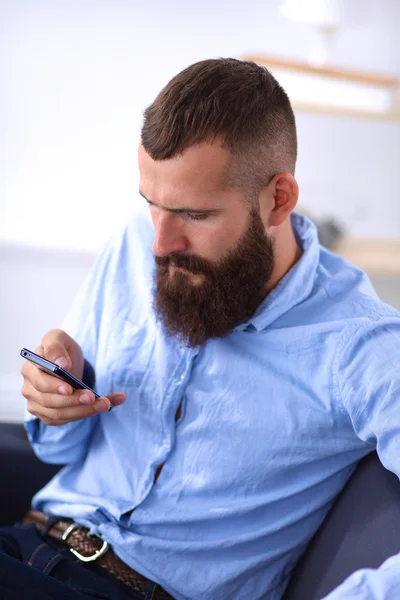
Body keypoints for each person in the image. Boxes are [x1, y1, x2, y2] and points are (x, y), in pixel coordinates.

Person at [4, 57, 400, 600]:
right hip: (28, 541)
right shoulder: (133, 247)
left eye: (195, 214)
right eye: (152, 205)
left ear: (278, 199)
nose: (161, 243)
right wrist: (55, 403)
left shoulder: (361, 346)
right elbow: (61, 452)